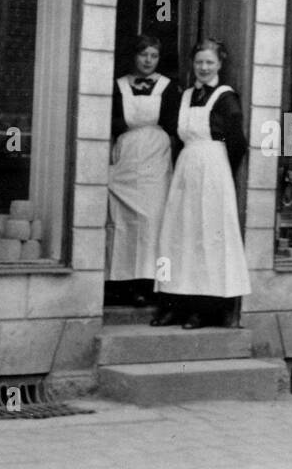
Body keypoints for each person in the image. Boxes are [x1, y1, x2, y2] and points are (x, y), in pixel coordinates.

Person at [151, 38, 251, 329]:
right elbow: (179, 138)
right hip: (186, 171)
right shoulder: (184, 96)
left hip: (213, 171)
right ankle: (174, 304)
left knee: (207, 239)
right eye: (199, 62)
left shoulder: (226, 97)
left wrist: (220, 173)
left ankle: (205, 309)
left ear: (219, 64)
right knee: (178, 235)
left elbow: (238, 144)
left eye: (209, 62)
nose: (204, 67)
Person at [107, 36, 180, 305]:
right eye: (143, 55)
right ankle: (120, 283)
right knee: (122, 220)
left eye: (154, 56)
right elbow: (109, 122)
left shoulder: (168, 87)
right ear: (134, 57)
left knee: (152, 222)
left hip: (155, 159)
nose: (148, 61)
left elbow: (175, 128)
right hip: (126, 156)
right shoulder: (118, 86)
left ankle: (150, 285)